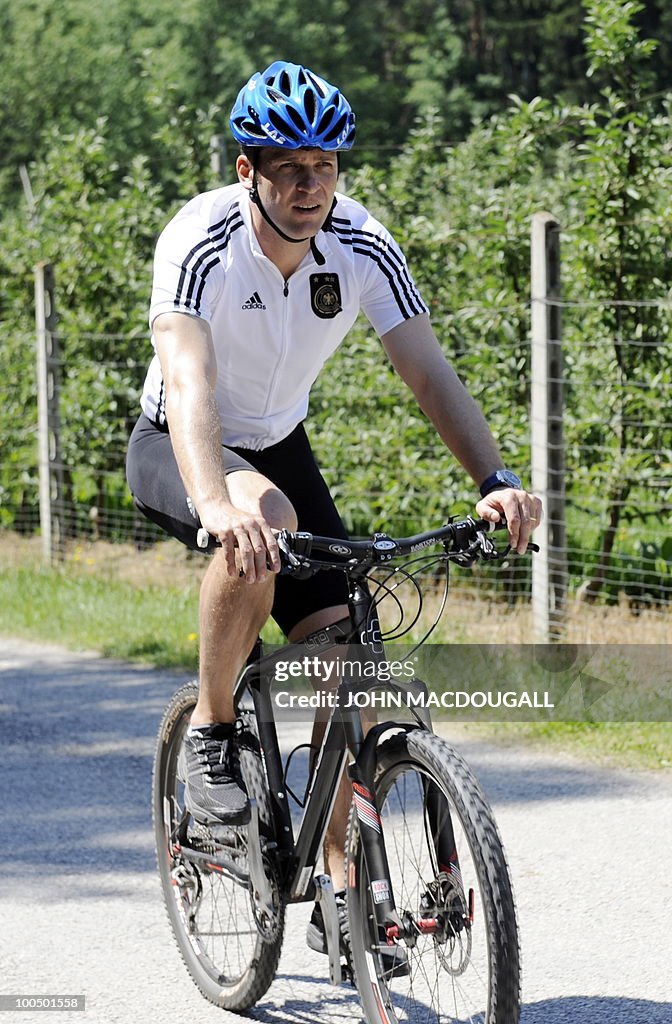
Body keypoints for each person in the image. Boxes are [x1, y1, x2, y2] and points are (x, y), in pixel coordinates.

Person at [126, 59, 541, 959]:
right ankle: (211, 728)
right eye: (289, 167)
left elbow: (426, 368)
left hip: (278, 444)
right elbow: (190, 379)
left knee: (347, 654)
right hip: (179, 441)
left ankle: (339, 894)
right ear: (249, 171)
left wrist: (492, 479)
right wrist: (213, 502)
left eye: (326, 165)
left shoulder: (360, 243)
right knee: (260, 519)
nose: (311, 184)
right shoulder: (199, 240)